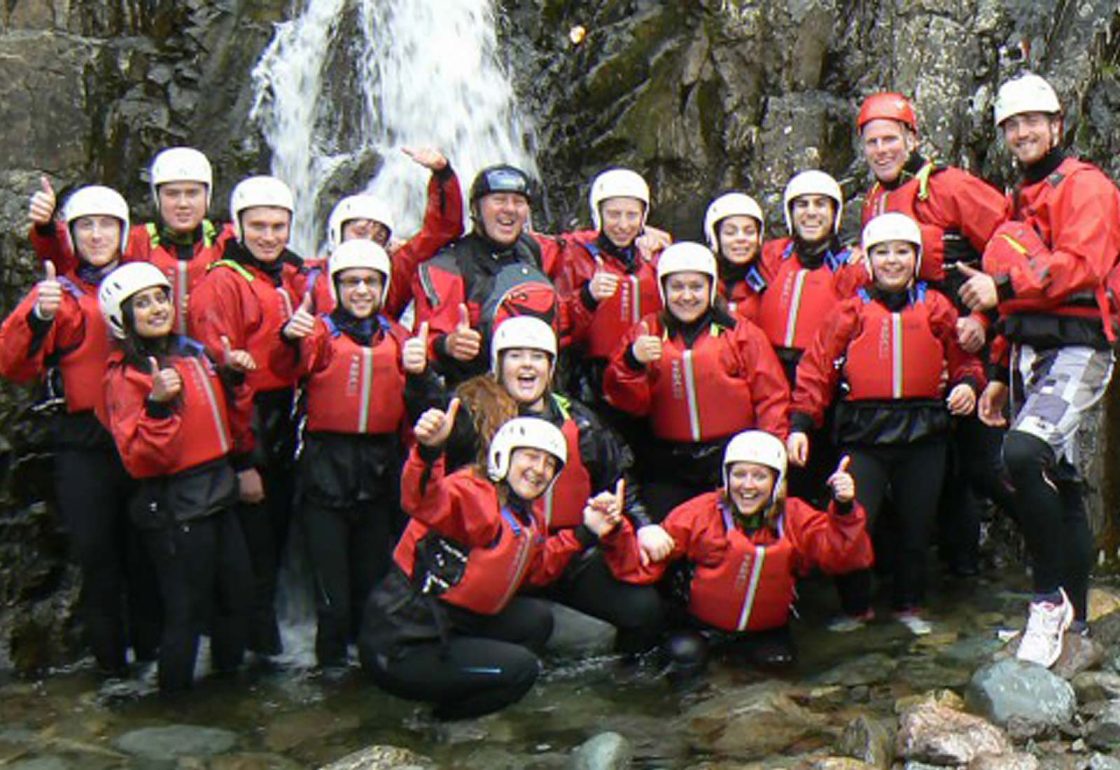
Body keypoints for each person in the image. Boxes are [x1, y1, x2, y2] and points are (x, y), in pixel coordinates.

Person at [958, 72, 1120, 667]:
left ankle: (1047, 603)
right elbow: (1017, 307)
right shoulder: (1021, 198)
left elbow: (1080, 264)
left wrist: (998, 284)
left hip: (1078, 346)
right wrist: (999, 372)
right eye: (1012, 124)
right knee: (1063, 482)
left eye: (1033, 121)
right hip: (1030, 353)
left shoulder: (1087, 186)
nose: (1023, 132)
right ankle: (1072, 616)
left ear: (1057, 125)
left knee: (1022, 456)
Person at [404, 315, 666, 652]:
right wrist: (419, 377)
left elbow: (617, 479)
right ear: (498, 364)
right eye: (515, 355)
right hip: (499, 554)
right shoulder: (471, 411)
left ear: (551, 366)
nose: (527, 365)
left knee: (643, 609)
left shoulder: (581, 422)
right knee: (533, 623)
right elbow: (433, 425)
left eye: (538, 356)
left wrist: (643, 524)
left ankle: (626, 684)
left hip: (566, 550)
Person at [358, 413, 626, 720]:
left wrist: (586, 532)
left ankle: (469, 689)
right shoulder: (474, 494)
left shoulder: (528, 517)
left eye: (549, 464)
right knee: (522, 669)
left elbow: (537, 568)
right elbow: (422, 500)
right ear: (504, 455)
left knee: (536, 620)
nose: (539, 470)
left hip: (453, 624)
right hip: (402, 644)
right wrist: (429, 452)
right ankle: (439, 724)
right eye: (531, 457)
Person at [788, 213, 983, 634]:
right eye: (882, 253)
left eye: (901, 252)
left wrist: (968, 384)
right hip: (864, 433)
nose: (892, 261)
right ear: (869, 261)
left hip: (924, 431)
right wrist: (801, 424)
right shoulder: (849, 311)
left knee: (917, 524)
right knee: (855, 520)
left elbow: (964, 360)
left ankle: (909, 605)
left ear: (915, 259)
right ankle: (856, 608)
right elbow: (816, 370)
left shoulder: (936, 307)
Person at [858, 92, 1014, 574]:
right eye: (872, 141)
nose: (882, 149)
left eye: (891, 138)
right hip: (920, 347)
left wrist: (985, 317)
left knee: (983, 463)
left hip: (971, 339)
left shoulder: (950, 186)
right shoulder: (873, 201)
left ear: (912, 138)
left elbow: (1013, 242)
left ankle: (1055, 559)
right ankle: (962, 578)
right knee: (947, 469)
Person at [0, 185, 150, 674]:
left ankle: (153, 659)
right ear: (73, 235)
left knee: (146, 549)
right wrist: (39, 318)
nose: (97, 234)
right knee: (97, 553)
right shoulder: (57, 295)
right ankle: (113, 668)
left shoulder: (148, 288)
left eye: (108, 225)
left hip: (141, 435)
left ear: (124, 233)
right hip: (82, 439)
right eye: (86, 226)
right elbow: (12, 363)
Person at [98, 262, 254, 692]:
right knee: (186, 609)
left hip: (217, 487)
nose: (156, 308)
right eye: (142, 304)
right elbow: (141, 459)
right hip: (175, 501)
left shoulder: (193, 353)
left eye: (160, 298)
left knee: (237, 595)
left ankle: (228, 689)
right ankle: (173, 707)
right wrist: (159, 405)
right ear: (122, 318)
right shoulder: (126, 376)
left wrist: (235, 380)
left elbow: (226, 419)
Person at [605, 430, 872, 673]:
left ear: (777, 481)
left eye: (759, 476)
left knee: (778, 665)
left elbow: (843, 557)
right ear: (726, 476)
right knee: (683, 658)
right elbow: (640, 567)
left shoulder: (796, 517)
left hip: (764, 630)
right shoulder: (698, 514)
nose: (747, 486)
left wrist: (844, 508)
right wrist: (619, 532)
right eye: (739, 474)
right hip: (700, 627)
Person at [271, 239, 411, 668]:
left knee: (371, 588)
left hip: (378, 470)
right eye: (351, 283)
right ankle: (330, 678)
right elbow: (286, 367)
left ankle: (369, 672)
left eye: (371, 282)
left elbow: (420, 399)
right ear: (337, 287)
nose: (362, 291)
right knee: (332, 598)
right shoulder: (316, 332)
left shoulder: (399, 337)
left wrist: (424, 369)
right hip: (325, 473)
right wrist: (287, 338)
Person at [188, 175, 306, 656]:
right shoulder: (222, 282)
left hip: (283, 421)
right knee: (251, 552)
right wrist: (244, 460)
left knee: (271, 545)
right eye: (258, 226)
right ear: (237, 227)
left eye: (278, 226)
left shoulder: (288, 276)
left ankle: (265, 648)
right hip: (246, 424)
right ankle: (251, 654)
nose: (269, 235)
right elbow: (221, 380)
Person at [604, 242, 789, 521]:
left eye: (696, 287)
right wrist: (632, 361)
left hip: (728, 459)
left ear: (711, 288)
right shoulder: (647, 332)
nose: (687, 296)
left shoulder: (740, 333)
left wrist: (771, 458)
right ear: (663, 290)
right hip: (668, 463)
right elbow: (624, 401)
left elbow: (772, 397)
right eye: (677, 287)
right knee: (663, 537)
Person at [28, 147, 232, 336]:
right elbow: (69, 257)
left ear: (208, 196)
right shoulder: (132, 241)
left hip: (211, 362)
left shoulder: (228, 242)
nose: (183, 204)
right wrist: (46, 227)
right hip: (143, 361)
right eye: (172, 194)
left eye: (192, 193)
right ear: (157, 197)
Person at [755, 170, 868, 504]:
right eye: (802, 205)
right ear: (790, 214)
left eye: (821, 205)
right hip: (773, 374)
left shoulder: (850, 266)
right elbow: (726, 263)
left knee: (815, 474)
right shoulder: (773, 256)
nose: (811, 212)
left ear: (834, 213)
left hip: (824, 378)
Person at [412, 164, 570, 386]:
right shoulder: (449, 267)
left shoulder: (536, 249)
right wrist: (447, 345)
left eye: (518, 202)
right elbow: (424, 342)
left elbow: (581, 246)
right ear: (477, 209)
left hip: (540, 386)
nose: (510, 209)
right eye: (499, 200)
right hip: (478, 392)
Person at [548, 168, 670, 407]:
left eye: (631, 215)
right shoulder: (574, 254)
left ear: (643, 218)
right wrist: (587, 297)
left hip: (647, 368)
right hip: (591, 377)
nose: (623, 225)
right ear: (599, 214)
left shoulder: (655, 257)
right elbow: (559, 325)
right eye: (614, 215)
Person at [306, 146, 463, 319]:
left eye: (379, 237)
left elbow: (442, 230)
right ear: (337, 233)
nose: (368, 241)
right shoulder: (307, 275)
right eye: (360, 231)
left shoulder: (395, 274)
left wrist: (443, 174)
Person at [705, 192, 767, 320]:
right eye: (730, 232)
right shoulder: (702, 282)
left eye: (749, 232)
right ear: (715, 237)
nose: (741, 238)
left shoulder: (771, 277)